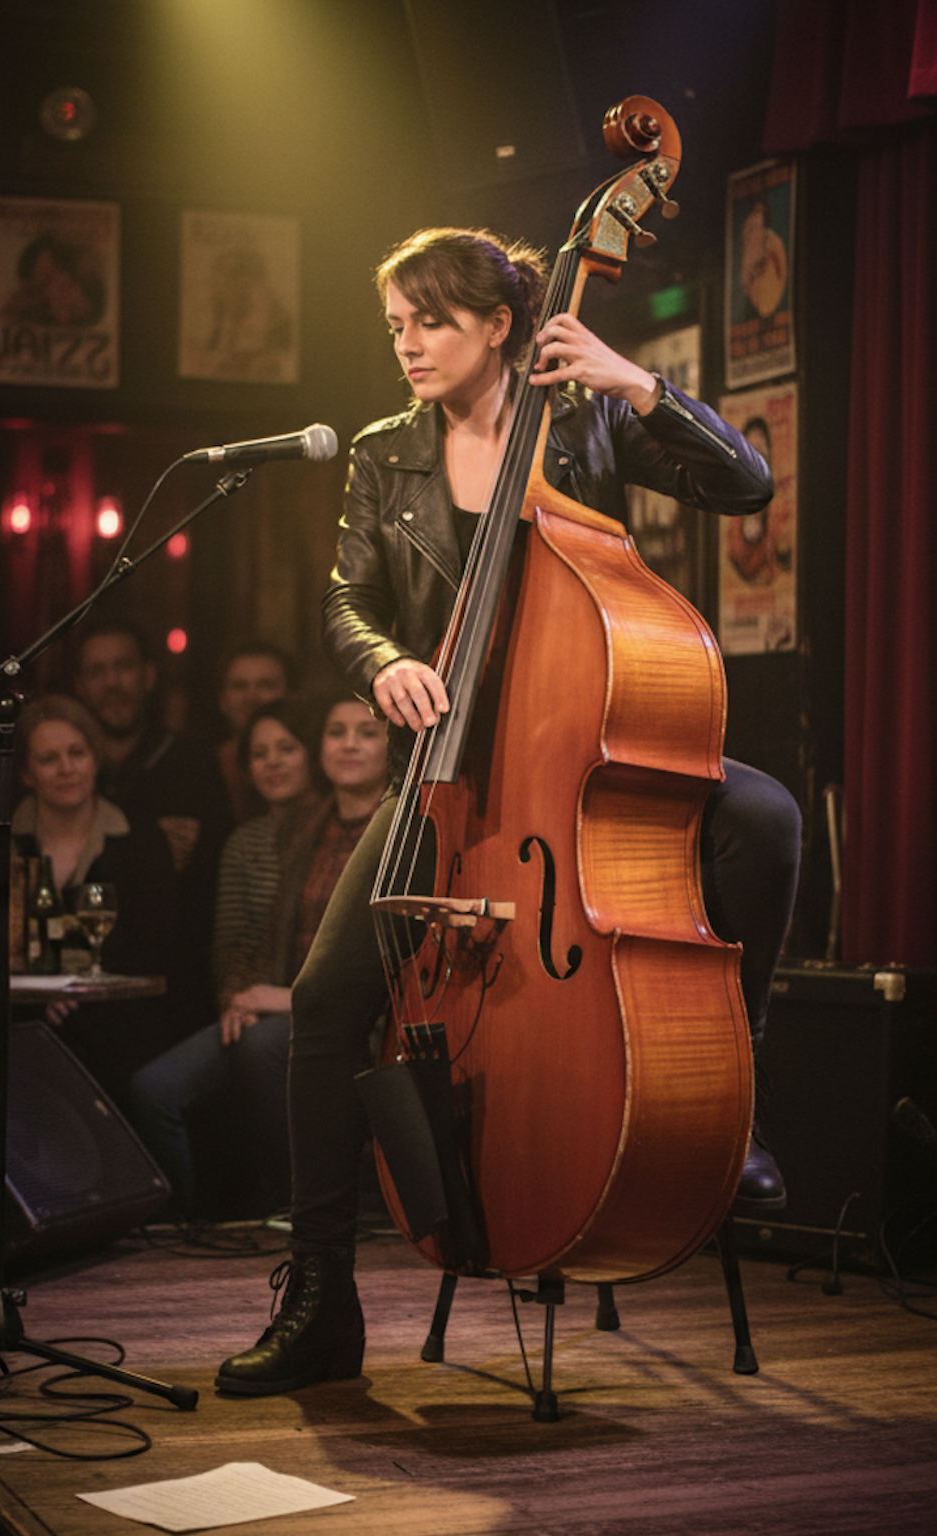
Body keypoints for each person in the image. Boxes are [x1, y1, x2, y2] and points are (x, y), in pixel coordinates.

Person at [214, 226, 802, 1398]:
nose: (407, 345)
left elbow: (747, 485)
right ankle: (320, 1301)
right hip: (444, 773)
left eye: (429, 321)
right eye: (396, 325)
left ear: (499, 324)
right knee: (325, 1006)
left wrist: (636, 384)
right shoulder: (384, 454)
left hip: (576, 753)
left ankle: (730, 1098)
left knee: (768, 820)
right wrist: (382, 661)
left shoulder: (583, 422)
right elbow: (345, 602)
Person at [127, 695, 389, 1219]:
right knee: (152, 1088)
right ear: (321, 748)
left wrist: (286, 1000)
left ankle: (309, 1210)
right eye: (336, 732)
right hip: (283, 1004)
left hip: (362, 1016)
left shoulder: (401, 831)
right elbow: (259, 941)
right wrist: (244, 998)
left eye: (366, 733)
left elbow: (390, 960)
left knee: (261, 1049)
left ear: (391, 748)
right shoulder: (306, 830)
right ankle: (190, 1227)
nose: (349, 745)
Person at [12, 693, 179, 1103]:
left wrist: (71, 993)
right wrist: (39, 997)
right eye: (49, 759)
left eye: (77, 753)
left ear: (95, 759)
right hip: (22, 1015)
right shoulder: (2, 843)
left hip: (118, 1020)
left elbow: (152, 951)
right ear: (27, 773)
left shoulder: (141, 840)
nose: (66, 769)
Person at [71, 618, 232, 1037]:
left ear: (148, 676)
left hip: (175, 992)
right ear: (80, 686)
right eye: (97, 671)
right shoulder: (67, 775)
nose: (112, 682)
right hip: (72, 987)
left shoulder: (190, 762)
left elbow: (214, 879)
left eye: (123, 667)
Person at [214, 641, 298, 824]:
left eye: (266, 685)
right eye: (239, 686)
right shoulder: (206, 769)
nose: (251, 697)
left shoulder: (316, 768)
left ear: (292, 696)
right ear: (223, 701)